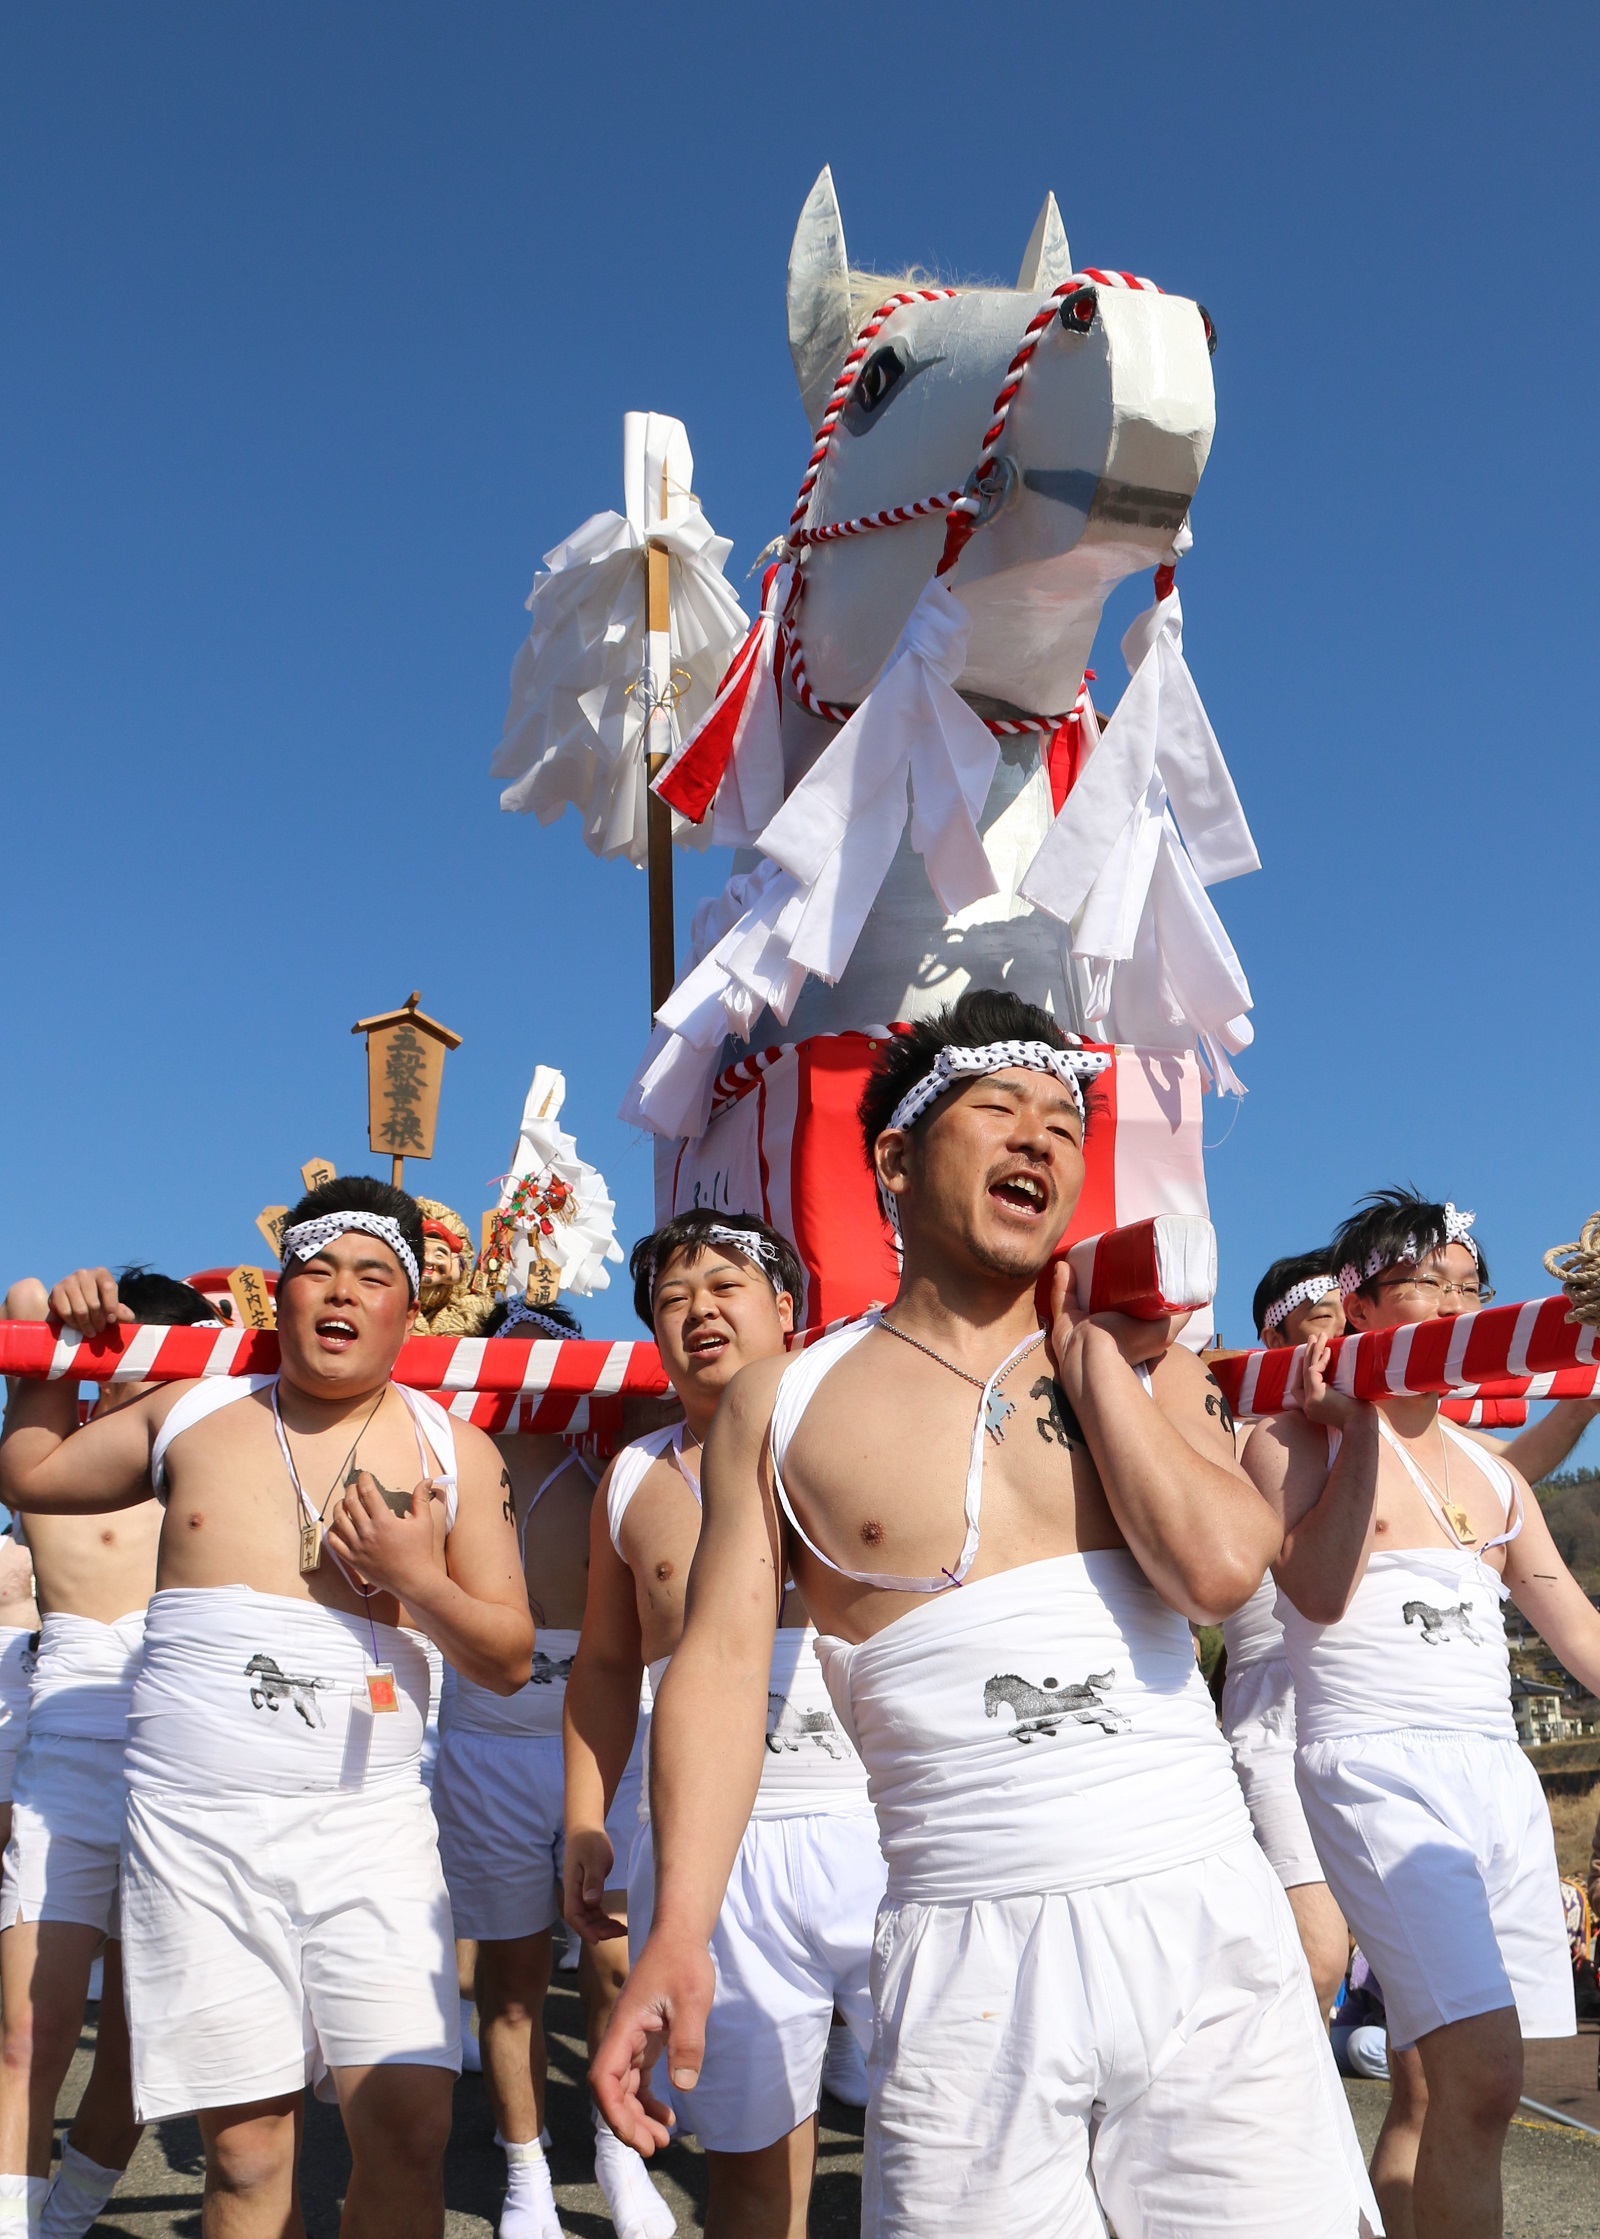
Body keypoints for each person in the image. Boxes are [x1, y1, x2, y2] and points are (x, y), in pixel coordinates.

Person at [595, 990, 1373, 2239]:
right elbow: (722, 1667)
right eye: (998, 1110)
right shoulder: (781, 1404)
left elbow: (1226, 1570)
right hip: (964, 1942)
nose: (1041, 1142)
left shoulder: (1145, 1361)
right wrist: (677, 1930)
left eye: (1065, 1123)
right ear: (895, 1158)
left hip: (1202, 1911)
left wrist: (1097, 1371)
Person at [0, 1177, 534, 2239]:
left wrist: (416, 1578)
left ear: (407, 1307)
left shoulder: (452, 1449)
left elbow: (510, 1657)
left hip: (368, 1825)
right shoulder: (191, 1405)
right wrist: (56, 1341)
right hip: (197, 1828)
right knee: (245, 2150)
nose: (341, 1291)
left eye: (373, 1274)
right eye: (317, 1269)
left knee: (410, 2122)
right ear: (274, 1296)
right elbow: (37, 1476)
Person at [1245, 1187, 1600, 2239]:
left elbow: (1576, 1631)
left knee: (1455, 2092)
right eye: (1423, 1287)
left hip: (1495, 1774)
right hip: (1369, 1766)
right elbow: (1312, 1590)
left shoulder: (1493, 1477)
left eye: (1466, 1287)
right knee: (1479, 2075)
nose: (1452, 1306)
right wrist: (1351, 1431)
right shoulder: (1287, 1437)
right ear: (1358, 1305)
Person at [566, 1210, 885, 2239]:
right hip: (716, 1848)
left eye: (724, 1285)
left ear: (785, 1308)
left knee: (953, 2141)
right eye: (672, 1297)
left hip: (888, 1822)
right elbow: (609, 1665)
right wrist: (584, 1820)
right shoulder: (631, 1477)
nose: (698, 1309)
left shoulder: (873, 1436)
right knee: (752, 2164)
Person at [431, 1294, 670, 2239]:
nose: (529, 1360)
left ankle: (617, 2151)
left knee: (615, 1963)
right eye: (511, 1343)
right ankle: (525, 2172)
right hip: (485, 1734)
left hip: (603, 1734)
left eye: (548, 1346)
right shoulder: (446, 1444)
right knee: (513, 1975)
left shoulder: (615, 1454)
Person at [0, 1267, 214, 2239]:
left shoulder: (217, 1460)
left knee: (139, 2053)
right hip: (69, 1765)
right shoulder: (56, 1456)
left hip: (186, 1764)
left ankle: (64, 2218)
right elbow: (25, 1302)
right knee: (26, 2035)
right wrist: (76, 1303)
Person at [1220, 1252, 1349, 2014]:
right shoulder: (1232, 1422)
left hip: (1364, 1704)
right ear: (1275, 1326)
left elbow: (1505, 1469)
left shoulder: (1373, 1423)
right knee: (1317, 1956)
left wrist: (1582, 1402)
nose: (1339, 1308)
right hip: (1272, 1714)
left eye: (1347, 1299)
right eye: (1320, 1301)